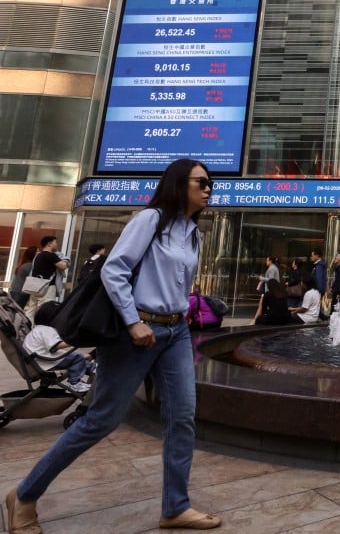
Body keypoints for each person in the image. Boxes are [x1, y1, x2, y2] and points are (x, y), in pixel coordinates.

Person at [8, 158, 222, 532]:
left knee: (182, 417)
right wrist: (133, 321)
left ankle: (175, 507)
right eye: (201, 182)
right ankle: (24, 495)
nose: (208, 189)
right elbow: (114, 269)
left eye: (210, 184)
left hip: (175, 333)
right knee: (100, 420)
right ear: (177, 183)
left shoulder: (193, 232)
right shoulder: (150, 220)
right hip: (133, 333)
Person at [23, 302, 96, 394]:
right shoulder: (47, 330)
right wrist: (73, 341)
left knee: (76, 357)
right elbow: (57, 345)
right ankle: (75, 383)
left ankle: (93, 369)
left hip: (40, 360)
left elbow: (53, 348)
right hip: (45, 362)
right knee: (77, 358)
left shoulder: (39, 328)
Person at [23, 236, 68, 322]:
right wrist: (65, 259)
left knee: (31, 311)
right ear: (49, 244)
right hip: (47, 287)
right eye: (55, 243)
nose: (57, 245)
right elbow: (63, 266)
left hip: (35, 287)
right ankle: (41, 332)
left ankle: (26, 329)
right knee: (45, 311)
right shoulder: (51, 255)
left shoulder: (38, 256)